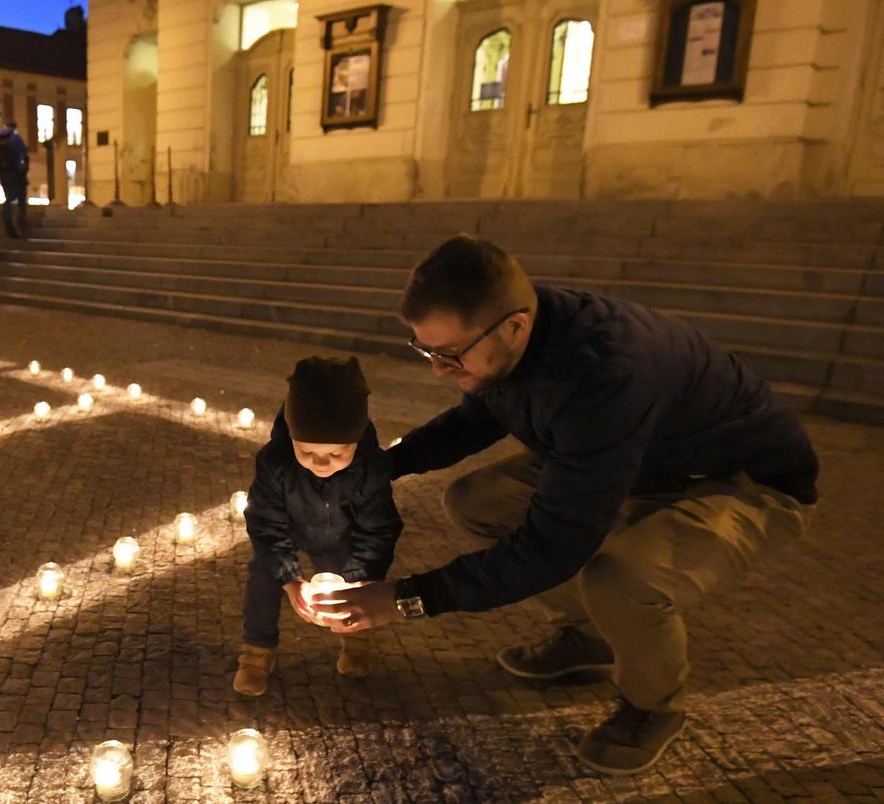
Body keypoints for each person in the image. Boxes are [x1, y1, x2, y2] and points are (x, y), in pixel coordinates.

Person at [309, 235, 819, 775]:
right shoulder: (519, 333)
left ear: (513, 327)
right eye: (427, 351)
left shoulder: (603, 371)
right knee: (476, 501)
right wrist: (377, 470)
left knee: (619, 578)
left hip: (741, 479)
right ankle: (587, 636)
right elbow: (477, 417)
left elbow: (553, 546)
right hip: (632, 455)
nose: (438, 369)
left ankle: (653, 707)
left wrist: (405, 599)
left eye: (450, 354)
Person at [233, 356, 403, 696]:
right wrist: (290, 579)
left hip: (344, 537)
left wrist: (360, 577)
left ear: (356, 441)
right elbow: (266, 523)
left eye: (337, 454)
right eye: (307, 451)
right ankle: (256, 653)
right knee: (263, 579)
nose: (321, 463)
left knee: (353, 590)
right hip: (292, 529)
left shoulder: (370, 468)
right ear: (292, 437)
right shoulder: (276, 462)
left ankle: (356, 641)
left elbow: (378, 529)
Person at [0, 119, 30, 239]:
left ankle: (9, 226)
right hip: (17, 174)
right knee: (21, 200)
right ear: (15, 128)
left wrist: (3, 167)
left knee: (9, 199)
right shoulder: (16, 138)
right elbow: (24, 155)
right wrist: (23, 170)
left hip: (4, 174)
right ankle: (21, 227)